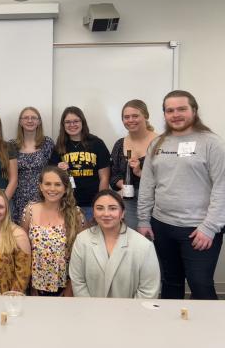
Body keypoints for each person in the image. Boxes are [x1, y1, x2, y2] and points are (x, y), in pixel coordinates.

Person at [138, 90, 225, 300]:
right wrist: (143, 220)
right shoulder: (157, 144)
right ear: (165, 114)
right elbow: (148, 185)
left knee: (200, 284)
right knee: (170, 281)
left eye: (181, 109)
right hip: (162, 225)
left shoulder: (212, 143)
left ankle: (209, 332)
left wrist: (209, 227)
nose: (175, 114)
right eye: (170, 110)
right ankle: (170, 331)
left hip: (199, 230)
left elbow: (222, 187)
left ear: (194, 110)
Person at [69, 189, 160, 298]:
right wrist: (91, 309)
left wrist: (128, 313)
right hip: (91, 311)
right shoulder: (82, 240)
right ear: (93, 212)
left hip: (131, 313)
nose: (106, 214)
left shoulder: (144, 245)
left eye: (113, 208)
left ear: (122, 213)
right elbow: (78, 281)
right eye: (99, 208)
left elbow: (148, 290)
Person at [21, 166, 83, 296]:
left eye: (58, 184)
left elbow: (81, 257)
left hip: (65, 288)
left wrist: (70, 288)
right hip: (35, 287)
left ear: (65, 188)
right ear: (40, 186)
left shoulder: (75, 214)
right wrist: (30, 285)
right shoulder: (29, 210)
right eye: (47, 184)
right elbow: (23, 252)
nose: (52, 189)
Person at [50, 106, 110, 222]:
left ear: (82, 122)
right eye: (68, 122)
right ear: (63, 125)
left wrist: (101, 203)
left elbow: (105, 177)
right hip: (67, 204)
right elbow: (52, 175)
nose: (72, 125)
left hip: (91, 204)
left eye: (76, 121)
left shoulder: (96, 143)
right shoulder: (60, 145)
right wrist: (58, 169)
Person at [110, 100, 158, 229]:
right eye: (126, 117)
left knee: (155, 242)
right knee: (134, 241)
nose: (130, 120)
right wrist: (125, 184)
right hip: (129, 202)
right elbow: (113, 176)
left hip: (156, 202)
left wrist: (141, 174)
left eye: (135, 116)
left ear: (146, 116)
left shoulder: (161, 143)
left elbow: (167, 177)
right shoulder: (120, 144)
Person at [10, 107, 54, 225]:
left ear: (39, 122)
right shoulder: (12, 145)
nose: (30, 120)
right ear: (20, 122)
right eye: (26, 118)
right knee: (20, 234)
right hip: (18, 197)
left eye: (33, 118)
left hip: (42, 196)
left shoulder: (47, 143)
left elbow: (53, 170)